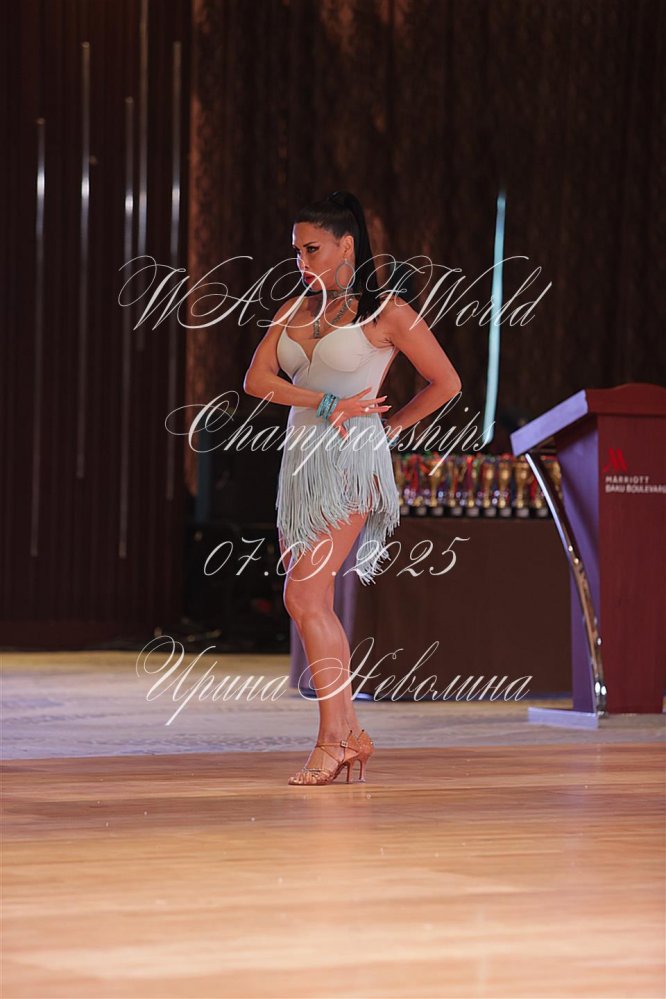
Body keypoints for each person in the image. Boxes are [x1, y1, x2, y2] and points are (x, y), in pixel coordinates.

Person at [243, 191, 462, 785]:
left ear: (346, 246)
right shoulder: (294, 308)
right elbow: (257, 379)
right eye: (296, 251)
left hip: (349, 462)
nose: (301, 261)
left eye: (312, 249)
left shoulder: (387, 313)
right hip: (299, 465)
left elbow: (446, 382)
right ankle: (350, 735)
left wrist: (389, 428)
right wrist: (325, 401)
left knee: (303, 597)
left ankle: (331, 739)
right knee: (313, 600)